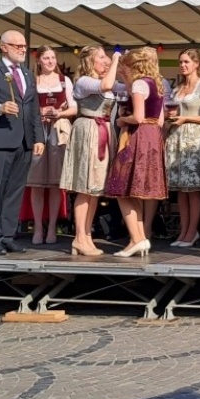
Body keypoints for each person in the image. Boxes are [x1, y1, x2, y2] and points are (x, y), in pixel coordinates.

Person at [0, 31, 45, 256]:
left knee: (15, 191)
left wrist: (39, 137)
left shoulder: (27, 74)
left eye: (24, 46)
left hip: (24, 141)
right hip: (1, 139)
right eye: (18, 46)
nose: (23, 49)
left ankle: (8, 235)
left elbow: (33, 109)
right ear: (4, 47)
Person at [104, 47, 167, 257]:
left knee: (122, 189)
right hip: (152, 137)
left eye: (126, 68)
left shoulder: (140, 84)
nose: (125, 72)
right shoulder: (156, 83)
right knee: (136, 191)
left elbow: (138, 117)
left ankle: (137, 238)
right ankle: (138, 239)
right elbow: (159, 120)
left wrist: (122, 119)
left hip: (137, 136)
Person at [61, 46, 122, 255]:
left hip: (103, 130)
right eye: (101, 57)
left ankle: (87, 236)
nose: (105, 61)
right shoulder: (84, 81)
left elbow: (126, 88)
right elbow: (105, 85)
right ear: (90, 61)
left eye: (106, 57)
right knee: (85, 187)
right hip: (88, 130)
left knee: (94, 190)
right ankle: (79, 237)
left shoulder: (104, 80)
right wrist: (115, 59)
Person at [165, 48, 200, 248]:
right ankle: (183, 231)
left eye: (186, 61)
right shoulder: (177, 89)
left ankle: (192, 232)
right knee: (180, 189)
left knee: (193, 189)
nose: (183, 65)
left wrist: (186, 118)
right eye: (181, 62)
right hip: (176, 138)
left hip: (193, 138)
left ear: (196, 64)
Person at [26, 46, 77, 245]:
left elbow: (74, 108)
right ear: (38, 60)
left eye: (53, 57)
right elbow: (26, 108)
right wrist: (40, 110)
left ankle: (52, 228)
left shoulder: (64, 81)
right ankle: (38, 227)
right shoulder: (33, 81)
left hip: (58, 131)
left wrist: (59, 113)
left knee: (56, 183)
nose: (50, 61)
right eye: (46, 58)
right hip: (38, 132)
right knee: (36, 183)